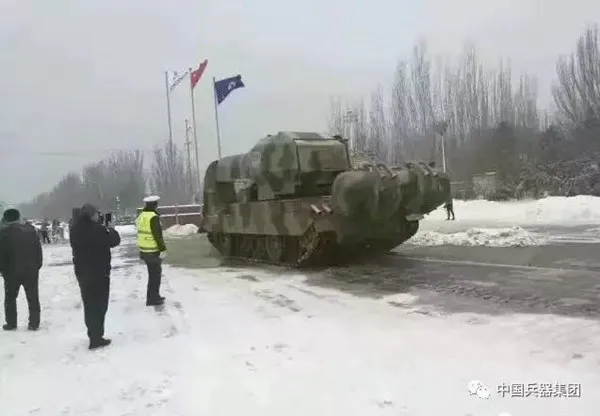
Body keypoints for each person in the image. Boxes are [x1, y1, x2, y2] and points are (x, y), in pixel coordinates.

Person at [69, 203, 121, 349]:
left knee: (89, 304)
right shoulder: (98, 229)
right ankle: (97, 337)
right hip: (99, 272)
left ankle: (93, 334)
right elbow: (114, 241)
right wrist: (111, 228)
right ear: (92, 215)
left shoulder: (75, 229)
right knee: (100, 305)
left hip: (82, 272)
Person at [0, 208, 43, 331]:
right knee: (33, 297)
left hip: (11, 271)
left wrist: (2, 270)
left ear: (6, 219)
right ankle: (34, 323)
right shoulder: (30, 230)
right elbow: (38, 249)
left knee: (10, 298)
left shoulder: (3, 233)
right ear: (18, 217)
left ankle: (11, 323)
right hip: (31, 270)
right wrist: (37, 265)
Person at [136, 195, 167, 306]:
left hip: (144, 251)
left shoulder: (141, 216)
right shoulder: (153, 217)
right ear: (155, 205)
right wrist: (162, 249)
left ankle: (154, 296)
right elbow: (157, 235)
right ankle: (152, 299)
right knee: (155, 276)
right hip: (153, 251)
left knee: (152, 275)